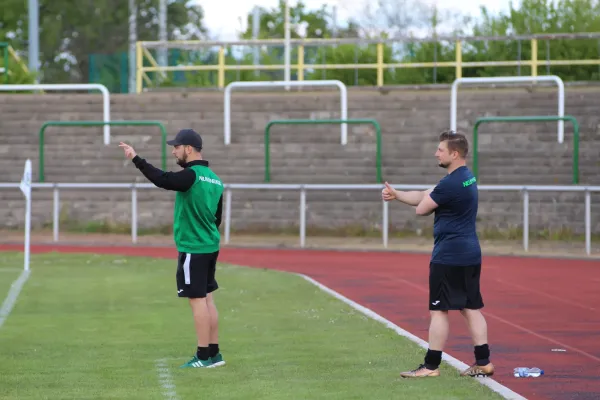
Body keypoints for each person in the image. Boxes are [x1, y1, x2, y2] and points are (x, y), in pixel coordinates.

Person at [381, 130, 494, 378]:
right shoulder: (466, 178)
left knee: (439, 310)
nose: (436, 153)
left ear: (454, 154)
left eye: (440, 149)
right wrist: (398, 194)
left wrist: (424, 199)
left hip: (449, 256)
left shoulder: (450, 183)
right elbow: (426, 194)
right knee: (470, 307)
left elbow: (422, 208)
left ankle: (430, 366)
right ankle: (484, 361)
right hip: (470, 253)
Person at [119, 128, 225, 369]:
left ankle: (202, 355)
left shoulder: (192, 175)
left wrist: (136, 159)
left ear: (189, 149)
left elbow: (163, 179)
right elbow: (217, 217)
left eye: (176, 147)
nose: (174, 151)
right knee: (208, 299)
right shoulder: (215, 179)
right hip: (209, 245)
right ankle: (214, 353)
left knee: (197, 301)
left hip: (193, 247)